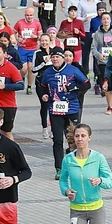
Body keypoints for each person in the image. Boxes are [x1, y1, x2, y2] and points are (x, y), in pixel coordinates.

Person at [41, 48, 89, 179]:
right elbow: (43, 87)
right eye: (53, 57)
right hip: (55, 109)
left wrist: (74, 88)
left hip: (71, 108)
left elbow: (86, 84)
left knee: (74, 139)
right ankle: (59, 168)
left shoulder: (72, 70)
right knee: (57, 140)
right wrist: (44, 95)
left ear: (63, 58)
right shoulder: (48, 72)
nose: (55, 59)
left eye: (57, 57)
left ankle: (76, 165)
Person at [14, 8, 43, 94]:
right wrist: (17, 39)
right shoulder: (20, 23)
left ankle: (29, 86)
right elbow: (13, 32)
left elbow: (41, 36)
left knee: (31, 68)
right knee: (23, 69)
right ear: (25, 15)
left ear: (33, 15)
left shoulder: (37, 23)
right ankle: (22, 77)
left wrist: (36, 37)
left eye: (31, 15)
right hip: (22, 48)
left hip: (33, 48)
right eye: (27, 15)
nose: (29, 17)